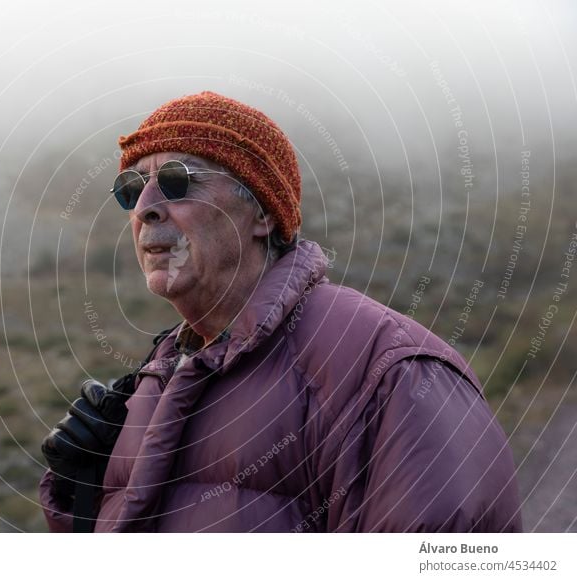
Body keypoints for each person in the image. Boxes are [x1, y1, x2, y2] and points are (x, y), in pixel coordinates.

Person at [39, 91, 522, 532]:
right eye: (131, 189)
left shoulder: (386, 372)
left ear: (263, 213)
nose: (144, 207)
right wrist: (80, 498)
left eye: (176, 181)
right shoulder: (155, 381)